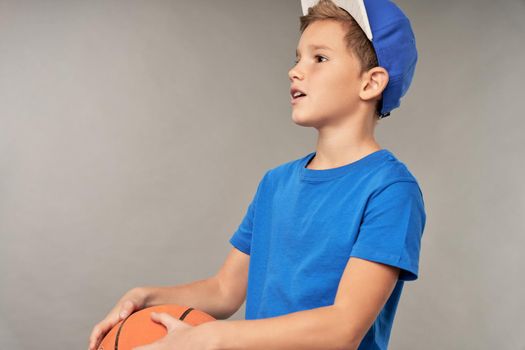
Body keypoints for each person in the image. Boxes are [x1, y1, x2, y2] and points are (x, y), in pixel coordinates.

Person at [88, 0, 426, 349]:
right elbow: (224, 291)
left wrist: (211, 337)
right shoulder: (275, 184)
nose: (295, 71)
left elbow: (342, 328)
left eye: (319, 58)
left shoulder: (390, 191)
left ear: (371, 84)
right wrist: (145, 296)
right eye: (297, 58)